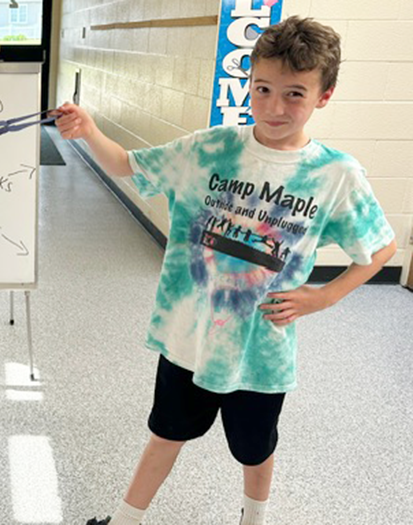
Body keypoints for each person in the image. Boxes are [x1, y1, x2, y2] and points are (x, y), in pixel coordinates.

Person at [55, 17, 397, 525]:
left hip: (259, 349)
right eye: (263, 89)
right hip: (189, 334)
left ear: (324, 96)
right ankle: (125, 520)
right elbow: (130, 164)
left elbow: (381, 247)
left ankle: (253, 519)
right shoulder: (210, 148)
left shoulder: (335, 175)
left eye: (295, 94)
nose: (275, 107)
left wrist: (322, 297)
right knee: (166, 433)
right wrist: (88, 131)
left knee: (254, 449)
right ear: (250, 84)